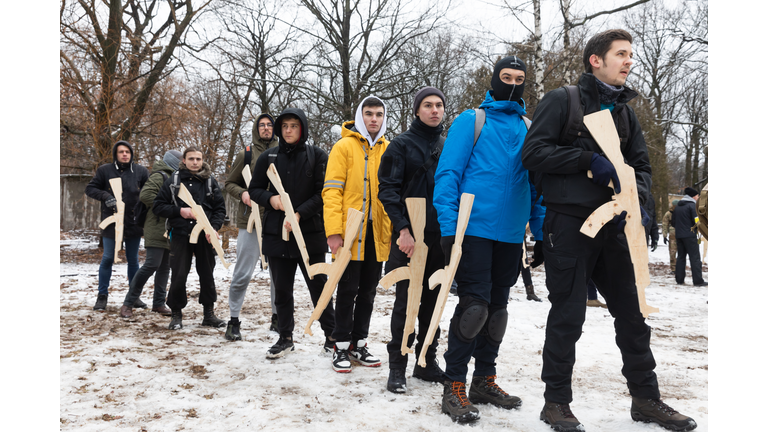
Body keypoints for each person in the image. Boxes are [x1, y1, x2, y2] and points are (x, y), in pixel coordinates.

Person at [522, 29, 697, 432]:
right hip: (568, 225)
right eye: (621, 54)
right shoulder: (562, 100)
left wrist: (641, 208)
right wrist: (586, 159)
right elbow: (533, 153)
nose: (629, 61)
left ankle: (646, 399)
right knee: (568, 315)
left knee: (633, 317)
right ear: (595, 60)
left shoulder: (625, 113)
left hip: (615, 227)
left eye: (631, 55)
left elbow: (642, 167)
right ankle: (556, 404)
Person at [433, 55, 531, 423]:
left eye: (519, 79)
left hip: (510, 234)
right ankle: (454, 383)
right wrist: (448, 227)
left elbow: (533, 184)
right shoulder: (471, 120)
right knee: (474, 308)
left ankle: (484, 380)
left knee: (498, 311)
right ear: (494, 79)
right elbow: (447, 176)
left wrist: (540, 228)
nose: (512, 84)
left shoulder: (528, 126)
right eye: (506, 77)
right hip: (472, 230)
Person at [247, 108, 335, 359]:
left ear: (303, 128)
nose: (288, 130)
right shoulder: (268, 157)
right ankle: (285, 337)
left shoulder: (317, 156)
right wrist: (271, 200)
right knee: (282, 289)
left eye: (294, 126)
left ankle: (332, 336)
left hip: (309, 233)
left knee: (319, 287)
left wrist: (299, 215)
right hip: (276, 234)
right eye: (284, 126)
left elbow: (323, 193)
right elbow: (254, 189)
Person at [378, 87, 448, 392]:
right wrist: (403, 230)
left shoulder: (449, 145)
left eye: (439, 105)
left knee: (433, 304)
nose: (434, 110)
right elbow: (388, 190)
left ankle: (426, 361)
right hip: (409, 236)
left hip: (440, 237)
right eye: (428, 105)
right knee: (406, 304)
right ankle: (398, 366)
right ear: (417, 110)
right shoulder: (401, 145)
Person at [323, 96, 392, 373]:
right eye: (368, 113)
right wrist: (334, 232)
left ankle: (359, 342)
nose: (373, 119)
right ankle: (339, 344)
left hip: (377, 234)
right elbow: (331, 191)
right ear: (359, 116)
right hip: (350, 234)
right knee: (347, 289)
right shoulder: (343, 147)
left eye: (378, 114)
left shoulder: (389, 149)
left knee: (368, 292)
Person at [152, 146, 228, 330]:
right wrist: (180, 211)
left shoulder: (210, 181)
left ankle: (208, 314)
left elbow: (220, 209)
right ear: (184, 161)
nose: (195, 162)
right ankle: (176, 314)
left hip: (205, 236)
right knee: (178, 274)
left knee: (207, 274)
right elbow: (158, 206)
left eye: (198, 159)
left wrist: (215, 228)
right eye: (191, 159)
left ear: (202, 161)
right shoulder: (173, 181)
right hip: (180, 235)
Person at [223, 113, 280, 341]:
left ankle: (278, 318)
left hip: (277, 222)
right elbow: (230, 183)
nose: (266, 128)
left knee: (279, 275)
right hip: (250, 222)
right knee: (243, 274)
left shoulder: (284, 151)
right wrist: (243, 193)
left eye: (269, 125)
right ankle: (233, 320)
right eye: (262, 125)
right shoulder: (245, 153)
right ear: (257, 129)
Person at [85, 140, 149, 311]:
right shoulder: (105, 170)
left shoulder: (141, 171)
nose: (124, 154)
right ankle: (102, 296)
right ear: (116, 154)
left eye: (127, 151)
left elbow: (149, 193)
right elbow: (90, 188)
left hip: (133, 222)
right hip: (112, 222)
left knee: (133, 260)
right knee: (107, 258)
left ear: (131, 154)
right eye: (121, 152)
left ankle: (133, 297)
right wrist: (106, 196)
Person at [120, 149, 182, 318]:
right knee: (151, 264)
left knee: (164, 268)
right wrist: (166, 207)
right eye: (181, 160)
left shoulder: (178, 177)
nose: (183, 162)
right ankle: (128, 303)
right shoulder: (160, 176)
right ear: (173, 161)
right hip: (156, 226)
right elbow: (146, 195)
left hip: (170, 228)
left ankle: (159, 303)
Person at [673, 187, 707, 287]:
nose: (698, 198)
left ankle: (679, 279)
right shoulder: (692, 206)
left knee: (681, 257)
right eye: (697, 196)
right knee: (695, 258)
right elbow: (696, 220)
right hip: (690, 236)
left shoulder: (678, 206)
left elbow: (673, 222)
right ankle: (698, 280)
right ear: (693, 196)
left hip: (679, 235)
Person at [661, 200, 679, 275]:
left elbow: (665, 225)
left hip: (675, 234)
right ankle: (675, 268)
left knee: (673, 252)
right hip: (678, 234)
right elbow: (665, 224)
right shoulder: (669, 213)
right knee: (674, 252)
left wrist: (664, 235)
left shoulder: (669, 213)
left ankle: (675, 268)